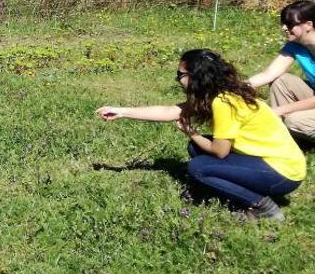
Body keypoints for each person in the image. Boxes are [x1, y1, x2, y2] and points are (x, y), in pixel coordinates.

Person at [96, 49, 305, 220]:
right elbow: (170, 111)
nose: (177, 80)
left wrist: (191, 132)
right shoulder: (222, 93)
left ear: (195, 76)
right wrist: (122, 111)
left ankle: (263, 208)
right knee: (195, 149)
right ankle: (239, 193)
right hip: (276, 162)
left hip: (283, 174)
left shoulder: (223, 102)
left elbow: (220, 152)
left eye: (180, 75)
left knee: (199, 168)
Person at [248, 0, 315, 142]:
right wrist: (233, 88)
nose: (284, 27)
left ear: (308, 25)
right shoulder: (295, 45)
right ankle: (282, 138)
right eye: (283, 23)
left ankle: (290, 128)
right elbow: (269, 74)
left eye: (290, 24)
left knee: (296, 121)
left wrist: (279, 111)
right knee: (280, 80)